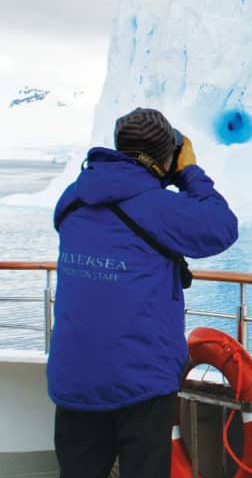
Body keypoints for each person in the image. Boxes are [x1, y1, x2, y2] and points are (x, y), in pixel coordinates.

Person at [48, 107, 238, 478]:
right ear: (166, 158)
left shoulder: (73, 198)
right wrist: (189, 173)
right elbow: (222, 227)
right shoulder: (160, 208)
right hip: (139, 380)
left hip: (73, 374)